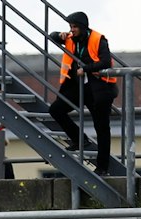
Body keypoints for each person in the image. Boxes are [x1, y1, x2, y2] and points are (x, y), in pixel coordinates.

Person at [47, 11, 118, 171]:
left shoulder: (98, 39)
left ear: (82, 27)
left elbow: (106, 62)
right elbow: (52, 37)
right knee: (56, 110)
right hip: (78, 87)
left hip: (99, 89)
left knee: (101, 128)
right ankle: (79, 139)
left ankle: (102, 167)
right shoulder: (71, 38)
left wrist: (85, 69)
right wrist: (60, 34)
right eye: (70, 27)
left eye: (74, 27)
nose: (71, 30)